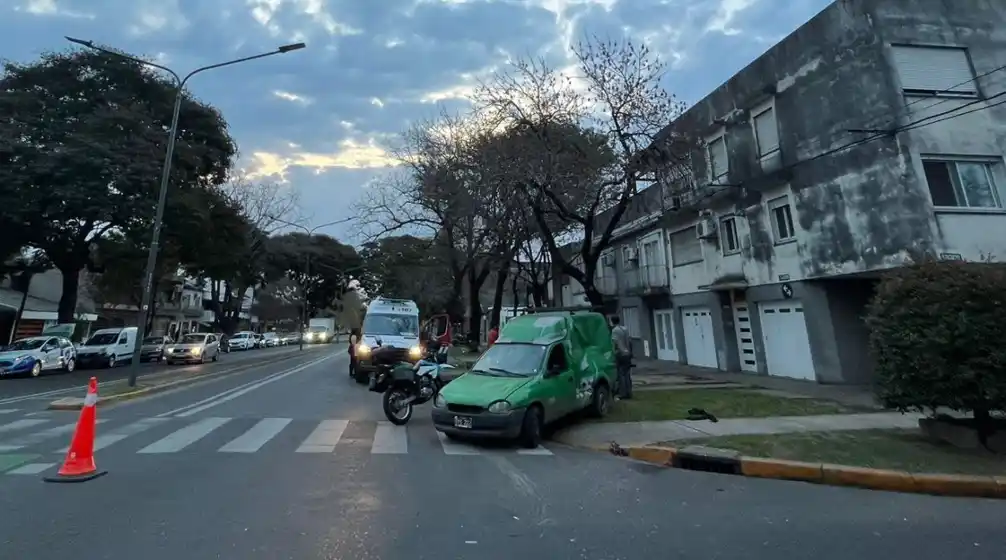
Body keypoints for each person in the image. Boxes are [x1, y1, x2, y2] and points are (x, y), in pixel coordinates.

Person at [610, 316, 633, 400]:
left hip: (621, 354)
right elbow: (630, 341)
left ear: (612, 321)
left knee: (621, 374)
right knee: (627, 374)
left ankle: (623, 393)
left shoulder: (615, 331)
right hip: (627, 354)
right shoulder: (625, 329)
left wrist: (613, 352)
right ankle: (629, 392)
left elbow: (615, 342)